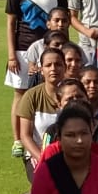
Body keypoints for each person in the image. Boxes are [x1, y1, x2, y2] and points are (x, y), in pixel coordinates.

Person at [4, 0, 68, 157]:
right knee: (21, 95)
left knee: (52, 93)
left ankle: (51, 138)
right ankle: (18, 140)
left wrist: (64, 48)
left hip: (51, 51)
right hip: (24, 51)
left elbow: (63, 21)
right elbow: (10, 23)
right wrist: (12, 54)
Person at [17, 47, 65, 179]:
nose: (53, 68)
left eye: (58, 64)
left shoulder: (73, 93)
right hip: (37, 154)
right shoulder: (31, 96)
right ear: (41, 70)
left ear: (65, 68)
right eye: (48, 65)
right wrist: (43, 159)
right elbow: (25, 135)